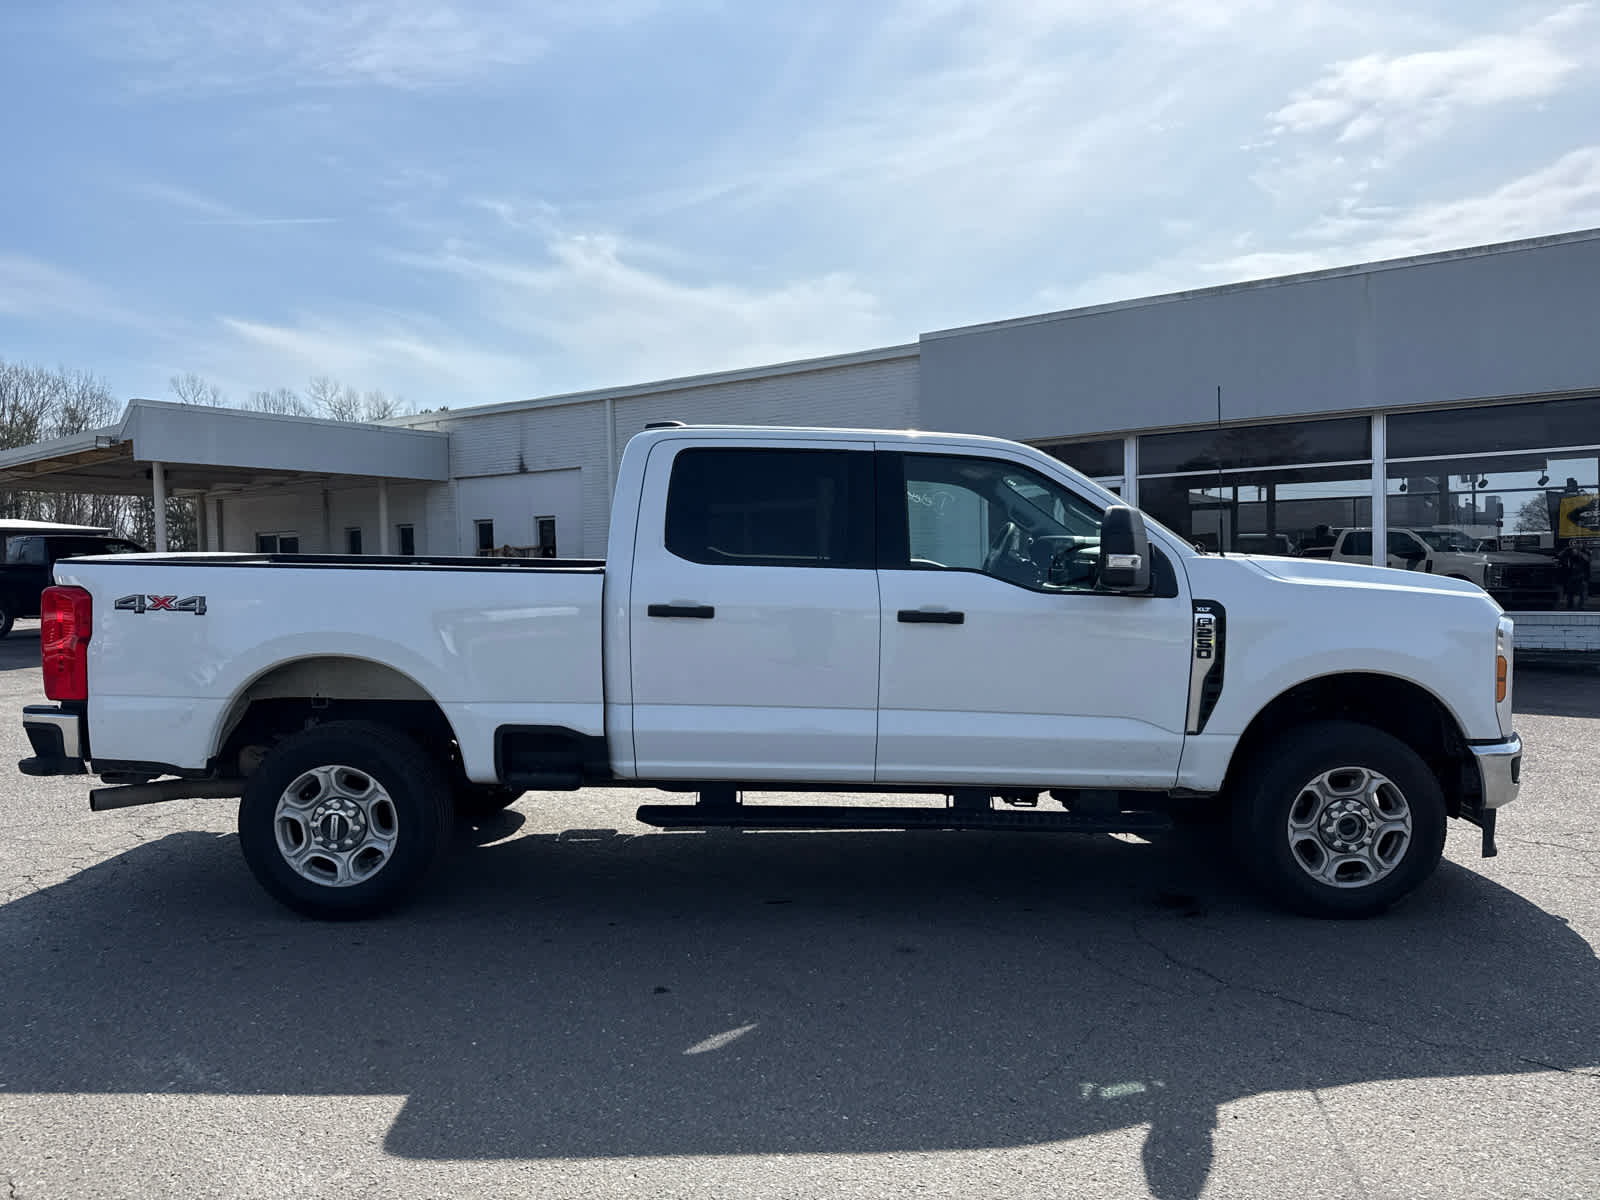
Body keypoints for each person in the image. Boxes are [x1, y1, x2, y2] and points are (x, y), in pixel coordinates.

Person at [1556, 541, 1593, 610]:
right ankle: (1570, 605)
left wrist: (1579, 553)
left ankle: (1581, 605)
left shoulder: (1585, 551)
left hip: (1582, 574)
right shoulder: (1569, 551)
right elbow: (1559, 555)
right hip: (1571, 574)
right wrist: (1568, 549)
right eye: (1575, 544)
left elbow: (1588, 559)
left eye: (1578, 543)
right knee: (1570, 591)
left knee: (1582, 591)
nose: (1577, 545)